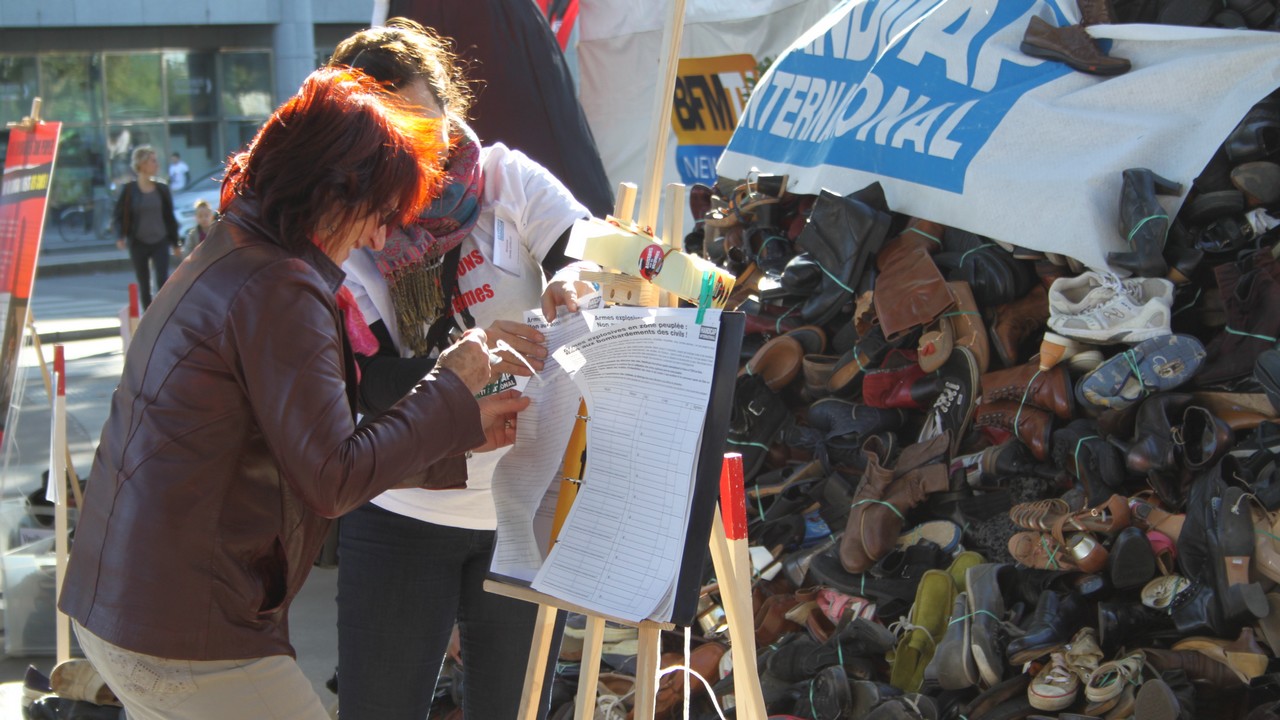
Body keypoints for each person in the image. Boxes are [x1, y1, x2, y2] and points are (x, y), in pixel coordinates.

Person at [58, 67, 530, 720]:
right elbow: (331, 475)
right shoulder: (280, 285)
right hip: (185, 628)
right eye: (381, 214)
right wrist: (451, 385)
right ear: (334, 190)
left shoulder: (234, 248)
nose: (380, 238)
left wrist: (457, 431)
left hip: (129, 609)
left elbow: (306, 445)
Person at [328, 19, 598, 720]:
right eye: (394, 141)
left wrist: (571, 284)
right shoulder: (350, 228)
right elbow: (365, 387)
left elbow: (583, 249)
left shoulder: (505, 177)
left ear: (451, 109)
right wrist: (466, 370)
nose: (424, 157)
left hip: (522, 506)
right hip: (400, 509)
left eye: (430, 128)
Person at [112, 145, 181, 310]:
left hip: (160, 240)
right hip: (138, 241)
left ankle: (164, 315)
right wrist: (120, 236)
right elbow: (119, 215)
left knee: (163, 281)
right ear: (142, 165)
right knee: (144, 283)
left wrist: (175, 243)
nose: (157, 165)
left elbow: (169, 218)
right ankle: (149, 319)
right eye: (153, 161)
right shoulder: (129, 190)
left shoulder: (162, 189)